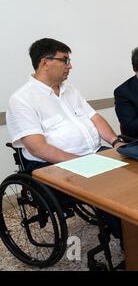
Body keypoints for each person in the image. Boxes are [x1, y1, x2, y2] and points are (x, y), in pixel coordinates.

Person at [6, 37, 124, 239]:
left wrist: (115, 142)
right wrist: (81, 163)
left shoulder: (71, 90)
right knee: (110, 190)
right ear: (45, 62)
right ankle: (131, 244)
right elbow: (37, 148)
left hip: (91, 155)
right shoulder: (22, 99)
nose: (71, 66)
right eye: (65, 60)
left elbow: (94, 118)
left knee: (134, 172)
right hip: (52, 166)